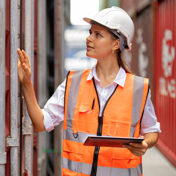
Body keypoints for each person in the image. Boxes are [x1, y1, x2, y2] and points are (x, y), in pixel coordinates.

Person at [17, 6, 160, 176]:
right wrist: (26, 83)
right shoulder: (73, 83)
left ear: (116, 44)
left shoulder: (138, 89)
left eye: (97, 35)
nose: (88, 38)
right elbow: (41, 123)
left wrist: (145, 143)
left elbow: (152, 130)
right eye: (90, 32)